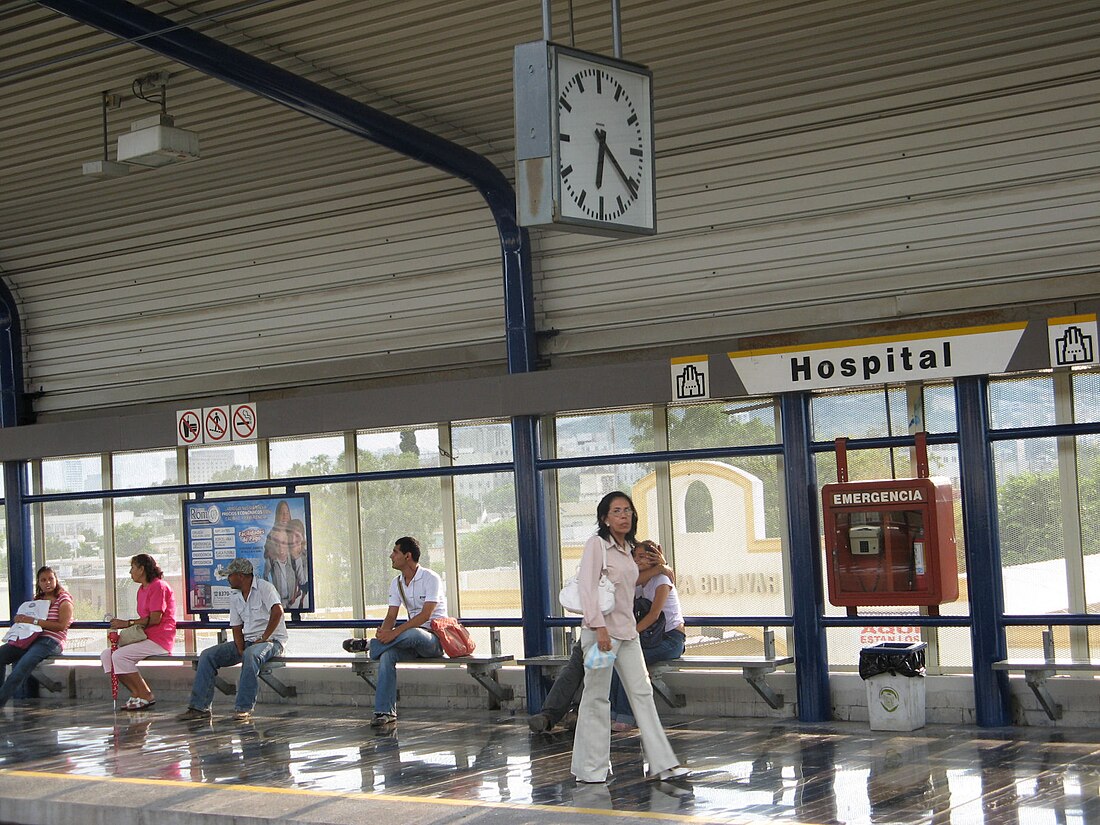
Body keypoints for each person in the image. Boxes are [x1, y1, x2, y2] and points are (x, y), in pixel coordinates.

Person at [570, 491, 688, 784]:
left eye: (628, 511)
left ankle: (663, 763)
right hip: (602, 635)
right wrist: (599, 630)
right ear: (604, 518)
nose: (624, 516)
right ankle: (590, 769)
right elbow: (587, 588)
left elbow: (634, 581)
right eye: (617, 511)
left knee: (643, 694)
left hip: (627, 634)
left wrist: (662, 567)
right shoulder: (597, 545)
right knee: (596, 698)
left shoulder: (628, 549)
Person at [528, 543, 677, 733]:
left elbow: (652, 591)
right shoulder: (612, 569)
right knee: (576, 665)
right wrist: (661, 567)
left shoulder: (645, 577)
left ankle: (594, 714)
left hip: (619, 632)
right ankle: (551, 715)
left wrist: (662, 568)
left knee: (604, 664)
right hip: (600, 627)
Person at [177, 557, 287, 722]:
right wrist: (240, 647)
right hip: (247, 642)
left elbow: (278, 612)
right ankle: (199, 707)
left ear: (241, 576)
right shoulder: (235, 596)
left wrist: (264, 638)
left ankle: (244, 708)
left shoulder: (265, 588)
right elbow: (236, 627)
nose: (227, 578)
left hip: (271, 642)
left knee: (251, 655)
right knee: (207, 655)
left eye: (230, 575)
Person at [368, 536, 447, 727]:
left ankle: (371, 646)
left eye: (395, 552)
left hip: (433, 640)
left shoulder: (431, 578)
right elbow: (391, 616)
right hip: (408, 642)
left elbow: (425, 615)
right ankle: (384, 712)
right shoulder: (396, 583)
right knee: (387, 655)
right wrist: (384, 634)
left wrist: (392, 634)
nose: (391, 556)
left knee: (414, 633)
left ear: (407, 555)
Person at [609, 539, 686, 731]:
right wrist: (661, 566)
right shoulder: (641, 582)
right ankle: (612, 714)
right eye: (636, 557)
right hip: (648, 638)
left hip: (670, 640)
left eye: (643, 557)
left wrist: (629, 633)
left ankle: (626, 717)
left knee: (629, 663)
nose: (638, 561)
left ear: (654, 558)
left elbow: (653, 615)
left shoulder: (662, 580)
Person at [101, 553, 178, 710]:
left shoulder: (158, 586)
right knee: (107, 655)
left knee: (119, 656)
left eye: (132, 568)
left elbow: (155, 618)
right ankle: (136, 692)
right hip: (145, 636)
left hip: (160, 638)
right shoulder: (141, 590)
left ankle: (145, 694)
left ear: (142, 569)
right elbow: (144, 618)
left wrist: (127, 623)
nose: (130, 572)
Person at [0, 566, 74, 707]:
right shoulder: (38, 600)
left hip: (51, 641)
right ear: (38, 583)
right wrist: (21, 619)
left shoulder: (64, 599)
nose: (47, 583)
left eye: (51, 579)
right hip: (31, 638)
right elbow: (29, 621)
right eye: (43, 580)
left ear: (56, 580)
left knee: (21, 667)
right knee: (2, 655)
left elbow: (61, 625)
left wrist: (33, 621)